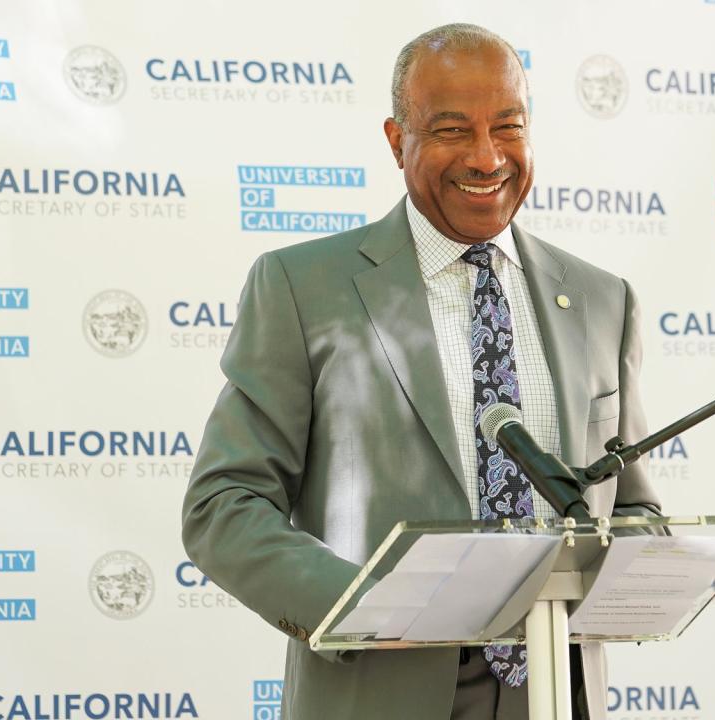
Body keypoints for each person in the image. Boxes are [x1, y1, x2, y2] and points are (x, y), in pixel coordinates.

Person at [182, 23, 660, 720]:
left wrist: (637, 565)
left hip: (560, 688)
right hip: (384, 684)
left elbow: (634, 506)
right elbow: (222, 506)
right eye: (451, 130)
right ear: (395, 138)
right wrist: (362, 607)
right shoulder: (303, 287)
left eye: (508, 127)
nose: (487, 156)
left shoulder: (601, 299)